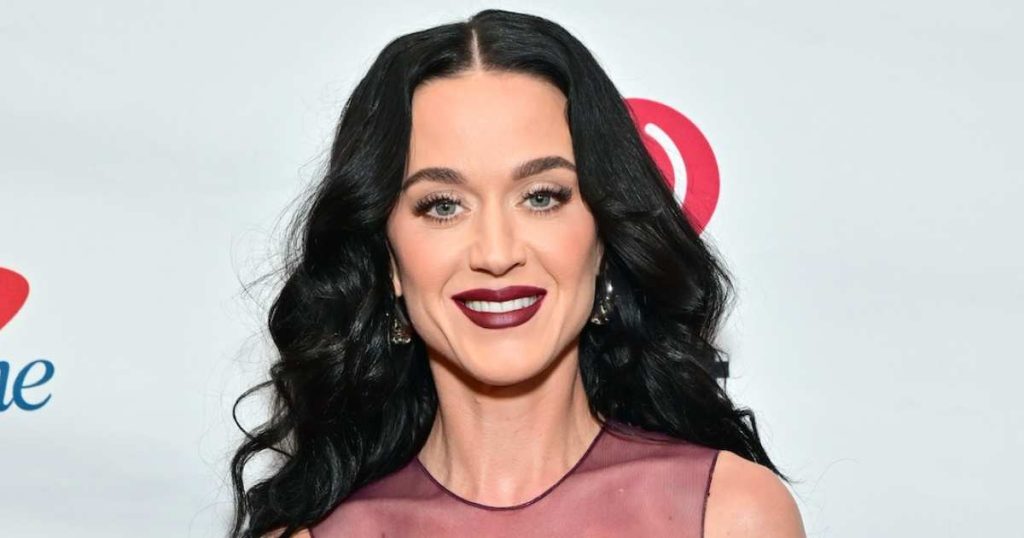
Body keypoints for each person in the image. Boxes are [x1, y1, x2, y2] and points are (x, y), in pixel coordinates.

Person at [231, 8, 805, 538]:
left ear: (603, 239)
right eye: (443, 205)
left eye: (541, 197)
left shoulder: (730, 515)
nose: (497, 251)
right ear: (388, 261)